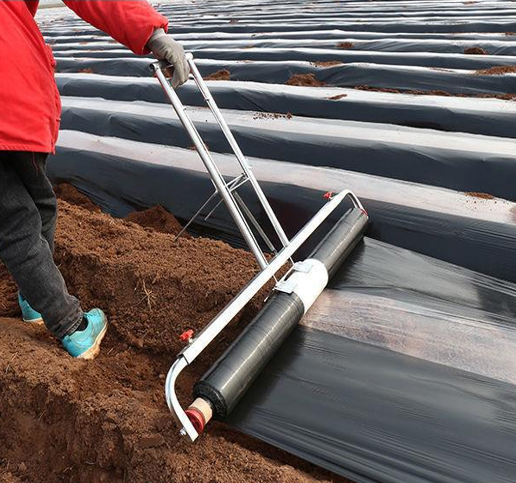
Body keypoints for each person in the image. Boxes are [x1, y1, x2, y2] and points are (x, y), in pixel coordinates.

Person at [0, 0, 189, 359]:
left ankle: (53, 309)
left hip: (15, 91)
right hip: (22, 96)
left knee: (16, 221)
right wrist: (150, 32)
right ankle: (54, 313)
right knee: (35, 209)